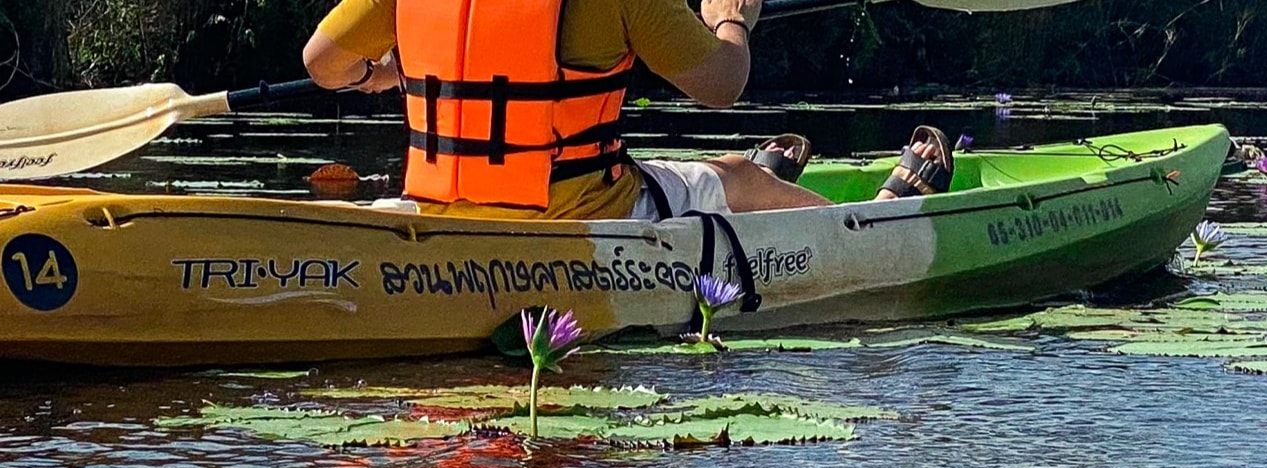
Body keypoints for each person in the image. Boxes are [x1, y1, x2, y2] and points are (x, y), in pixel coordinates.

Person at [300, 0, 956, 221]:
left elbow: (322, 61)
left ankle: (778, 178)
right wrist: (733, 22)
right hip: (584, 217)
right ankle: (877, 221)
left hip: (442, 215)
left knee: (723, 176)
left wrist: (389, 70)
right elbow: (721, 84)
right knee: (735, 175)